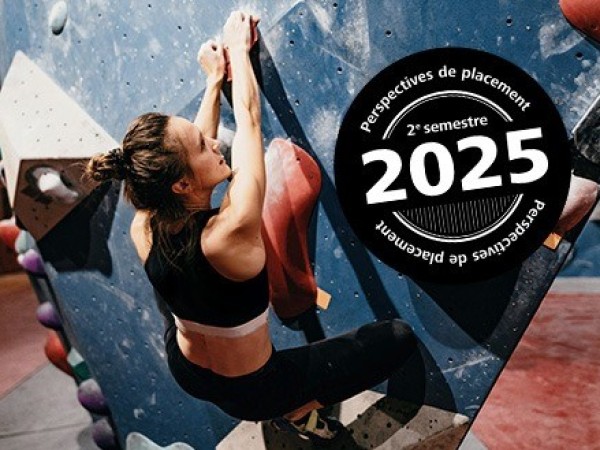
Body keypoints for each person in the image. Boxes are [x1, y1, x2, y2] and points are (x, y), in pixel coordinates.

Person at [86, 11, 417, 443]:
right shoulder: (231, 229)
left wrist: (212, 82)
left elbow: (188, 154)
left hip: (187, 369)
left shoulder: (144, 226)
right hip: (258, 389)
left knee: (185, 292)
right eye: (204, 146)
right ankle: (297, 409)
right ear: (181, 183)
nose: (214, 142)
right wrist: (239, 52)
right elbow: (248, 118)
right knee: (396, 338)